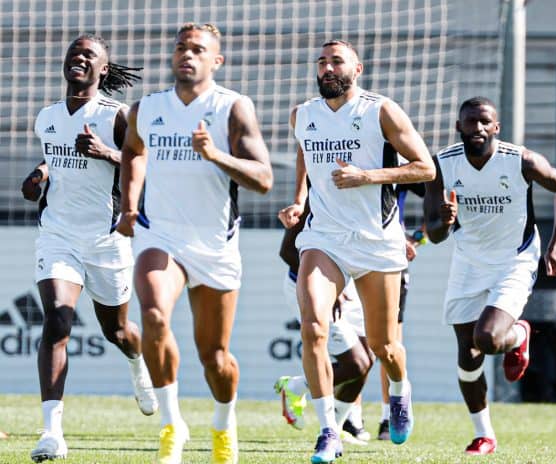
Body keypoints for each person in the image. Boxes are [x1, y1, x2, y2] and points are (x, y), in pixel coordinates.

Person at [116, 23, 273, 464]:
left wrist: (215, 154)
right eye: (181, 48)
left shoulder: (232, 107)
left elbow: (263, 179)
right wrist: (129, 206)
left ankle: (223, 424)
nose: (187, 55)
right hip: (159, 234)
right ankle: (172, 425)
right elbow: (132, 151)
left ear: (216, 61)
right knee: (152, 314)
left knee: (215, 358)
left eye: (198, 50)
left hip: (214, 244)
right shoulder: (147, 108)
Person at [278, 39, 435, 463]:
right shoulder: (302, 114)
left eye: (337, 61)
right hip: (323, 238)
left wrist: (367, 176)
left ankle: (399, 391)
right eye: (322, 62)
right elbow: (305, 153)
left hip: (376, 241)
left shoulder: (380, 110)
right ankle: (329, 431)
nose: (327, 68)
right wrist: (299, 199)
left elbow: (425, 167)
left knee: (385, 347)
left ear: (357, 69)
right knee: (314, 328)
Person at [21, 34, 157, 463]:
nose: (79, 58)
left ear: (103, 69)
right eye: (74, 52)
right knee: (57, 320)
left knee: (117, 331)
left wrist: (105, 153)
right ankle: (52, 434)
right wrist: (40, 175)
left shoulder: (116, 116)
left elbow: (143, 164)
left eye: (89, 55)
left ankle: (137, 364)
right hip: (58, 234)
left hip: (106, 239)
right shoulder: (47, 116)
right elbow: (56, 158)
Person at [424, 96, 556, 455]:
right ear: (458, 127)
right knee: (467, 352)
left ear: (496, 127)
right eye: (470, 121)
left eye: (484, 121)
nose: (477, 128)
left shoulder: (521, 161)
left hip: (514, 260)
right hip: (468, 260)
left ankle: (519, 333)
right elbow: (435, 234)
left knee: (489, 339)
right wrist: (443, 221)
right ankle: (484, 435)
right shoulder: (441, 165)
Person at [275, 202, 374, 445]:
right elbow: (287, 252)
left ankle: (336, 429)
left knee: (368, 359)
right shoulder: (319, 195)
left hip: (351, 285)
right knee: (357, 364)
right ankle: (296, 387)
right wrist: (327, 285)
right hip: (315, 287)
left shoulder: (370, 195)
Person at [377, 182, 426, 440]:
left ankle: (389, 415)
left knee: (388, 342)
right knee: (352, 343)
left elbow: (440, 196)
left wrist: (418, 236)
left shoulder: (397, 163)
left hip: (388, 257)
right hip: (344, 252)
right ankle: (349, 419)